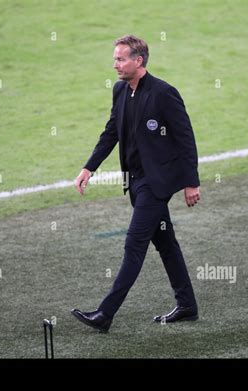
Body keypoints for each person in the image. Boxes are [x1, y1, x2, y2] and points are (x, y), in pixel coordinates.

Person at [71, 35, 201, 333]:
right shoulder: (120, 91)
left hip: (157, 184)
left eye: (120, 59)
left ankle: (105, 313)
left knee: (134, 245)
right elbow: (111, 133)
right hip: (136, 181)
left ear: (138, 61)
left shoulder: (164, 93)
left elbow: (185, 139)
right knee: (166, 244)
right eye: (115, 58)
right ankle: (188, 305)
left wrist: (191, 183)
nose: (115, 64)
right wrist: (89, 167)